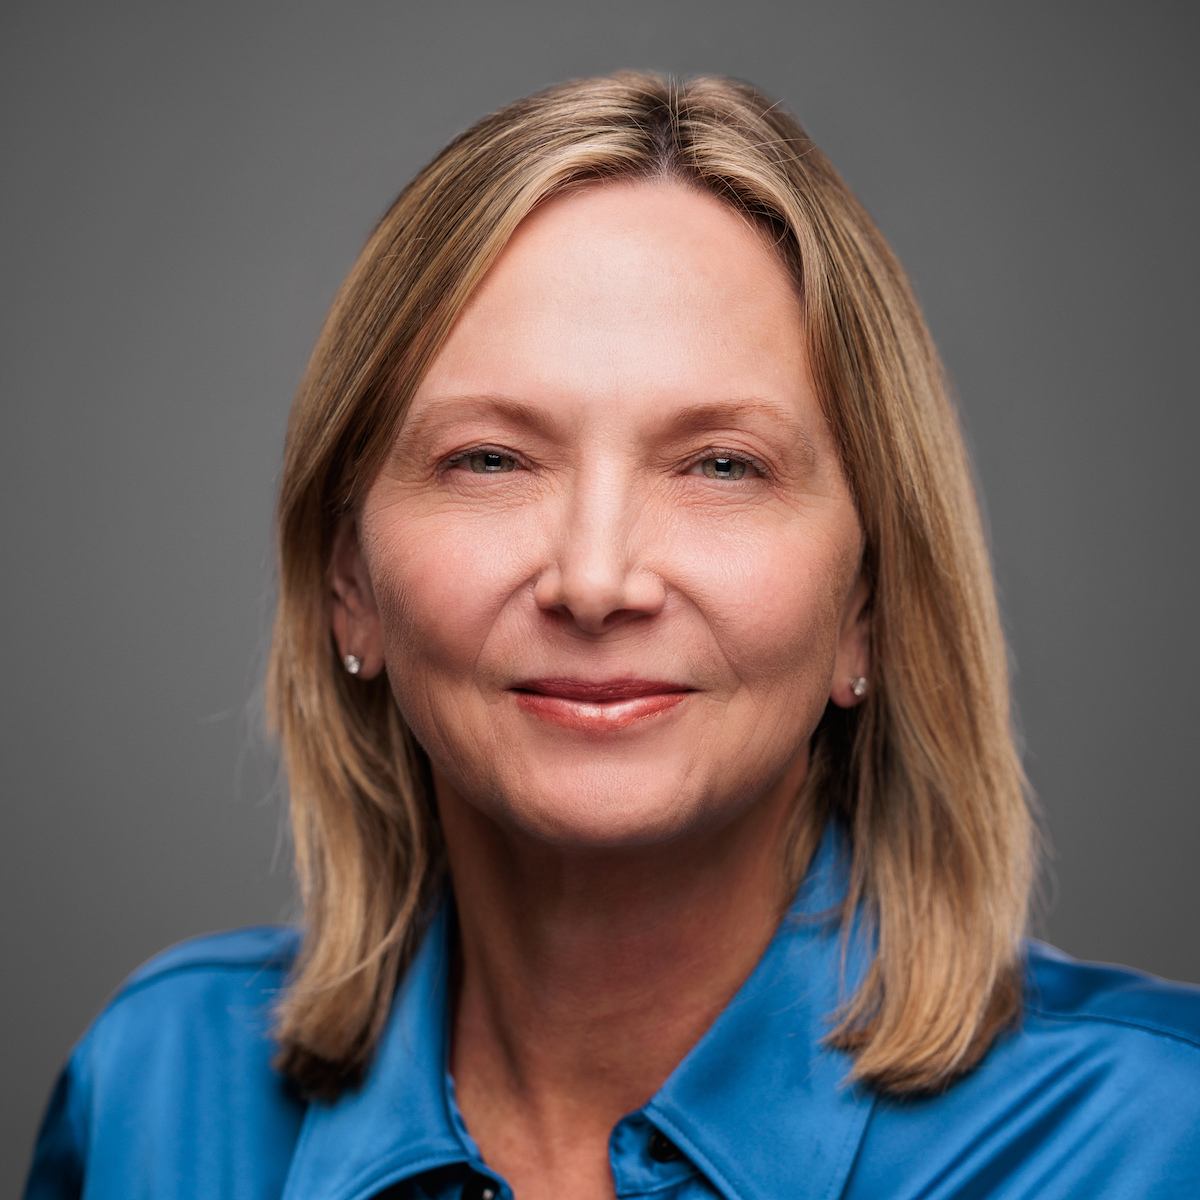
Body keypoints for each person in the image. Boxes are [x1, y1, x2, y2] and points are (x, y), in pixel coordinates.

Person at [24, 71, 1200, 1200]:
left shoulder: (1156, 1141)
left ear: (869, 603)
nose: (595, 579)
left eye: (722, 465)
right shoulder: (155, 1095)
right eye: (488, 459)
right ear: (350, 587)